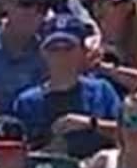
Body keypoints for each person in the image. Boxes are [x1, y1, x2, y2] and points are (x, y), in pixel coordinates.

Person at [9, 12, 121, 158]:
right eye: (53, 49)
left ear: (83, 51)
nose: (61, 56)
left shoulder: (101, 91)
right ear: (43, 53)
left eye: (68, 48)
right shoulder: (27, 102)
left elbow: (128, 133)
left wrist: (91, 124)